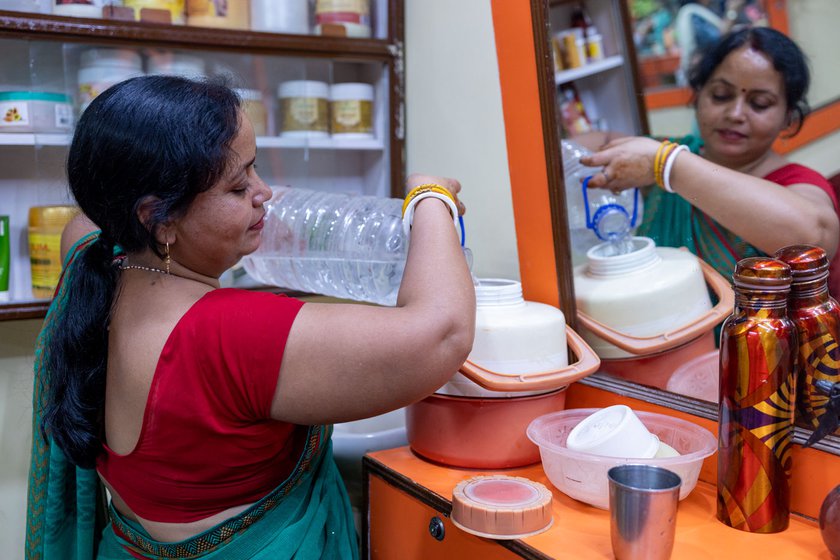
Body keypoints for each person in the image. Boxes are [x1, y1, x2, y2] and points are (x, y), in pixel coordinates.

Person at [25, 75, 476, 559]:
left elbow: (88, 218)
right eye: (239, 186)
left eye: (255, 170)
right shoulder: (229, 334)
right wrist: (431, 197)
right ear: (160, 217)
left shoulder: (93, 265)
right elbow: (443, 333)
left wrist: (220, 216)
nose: (266, 194)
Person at [579, 27, 840, 292]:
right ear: (698, 95)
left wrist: (669, 166)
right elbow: (591, 145)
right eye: (721, 96)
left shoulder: (796, 182)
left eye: (760, 103)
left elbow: (816, 237)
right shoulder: (674, 152)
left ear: (788, 117)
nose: (736, 113)